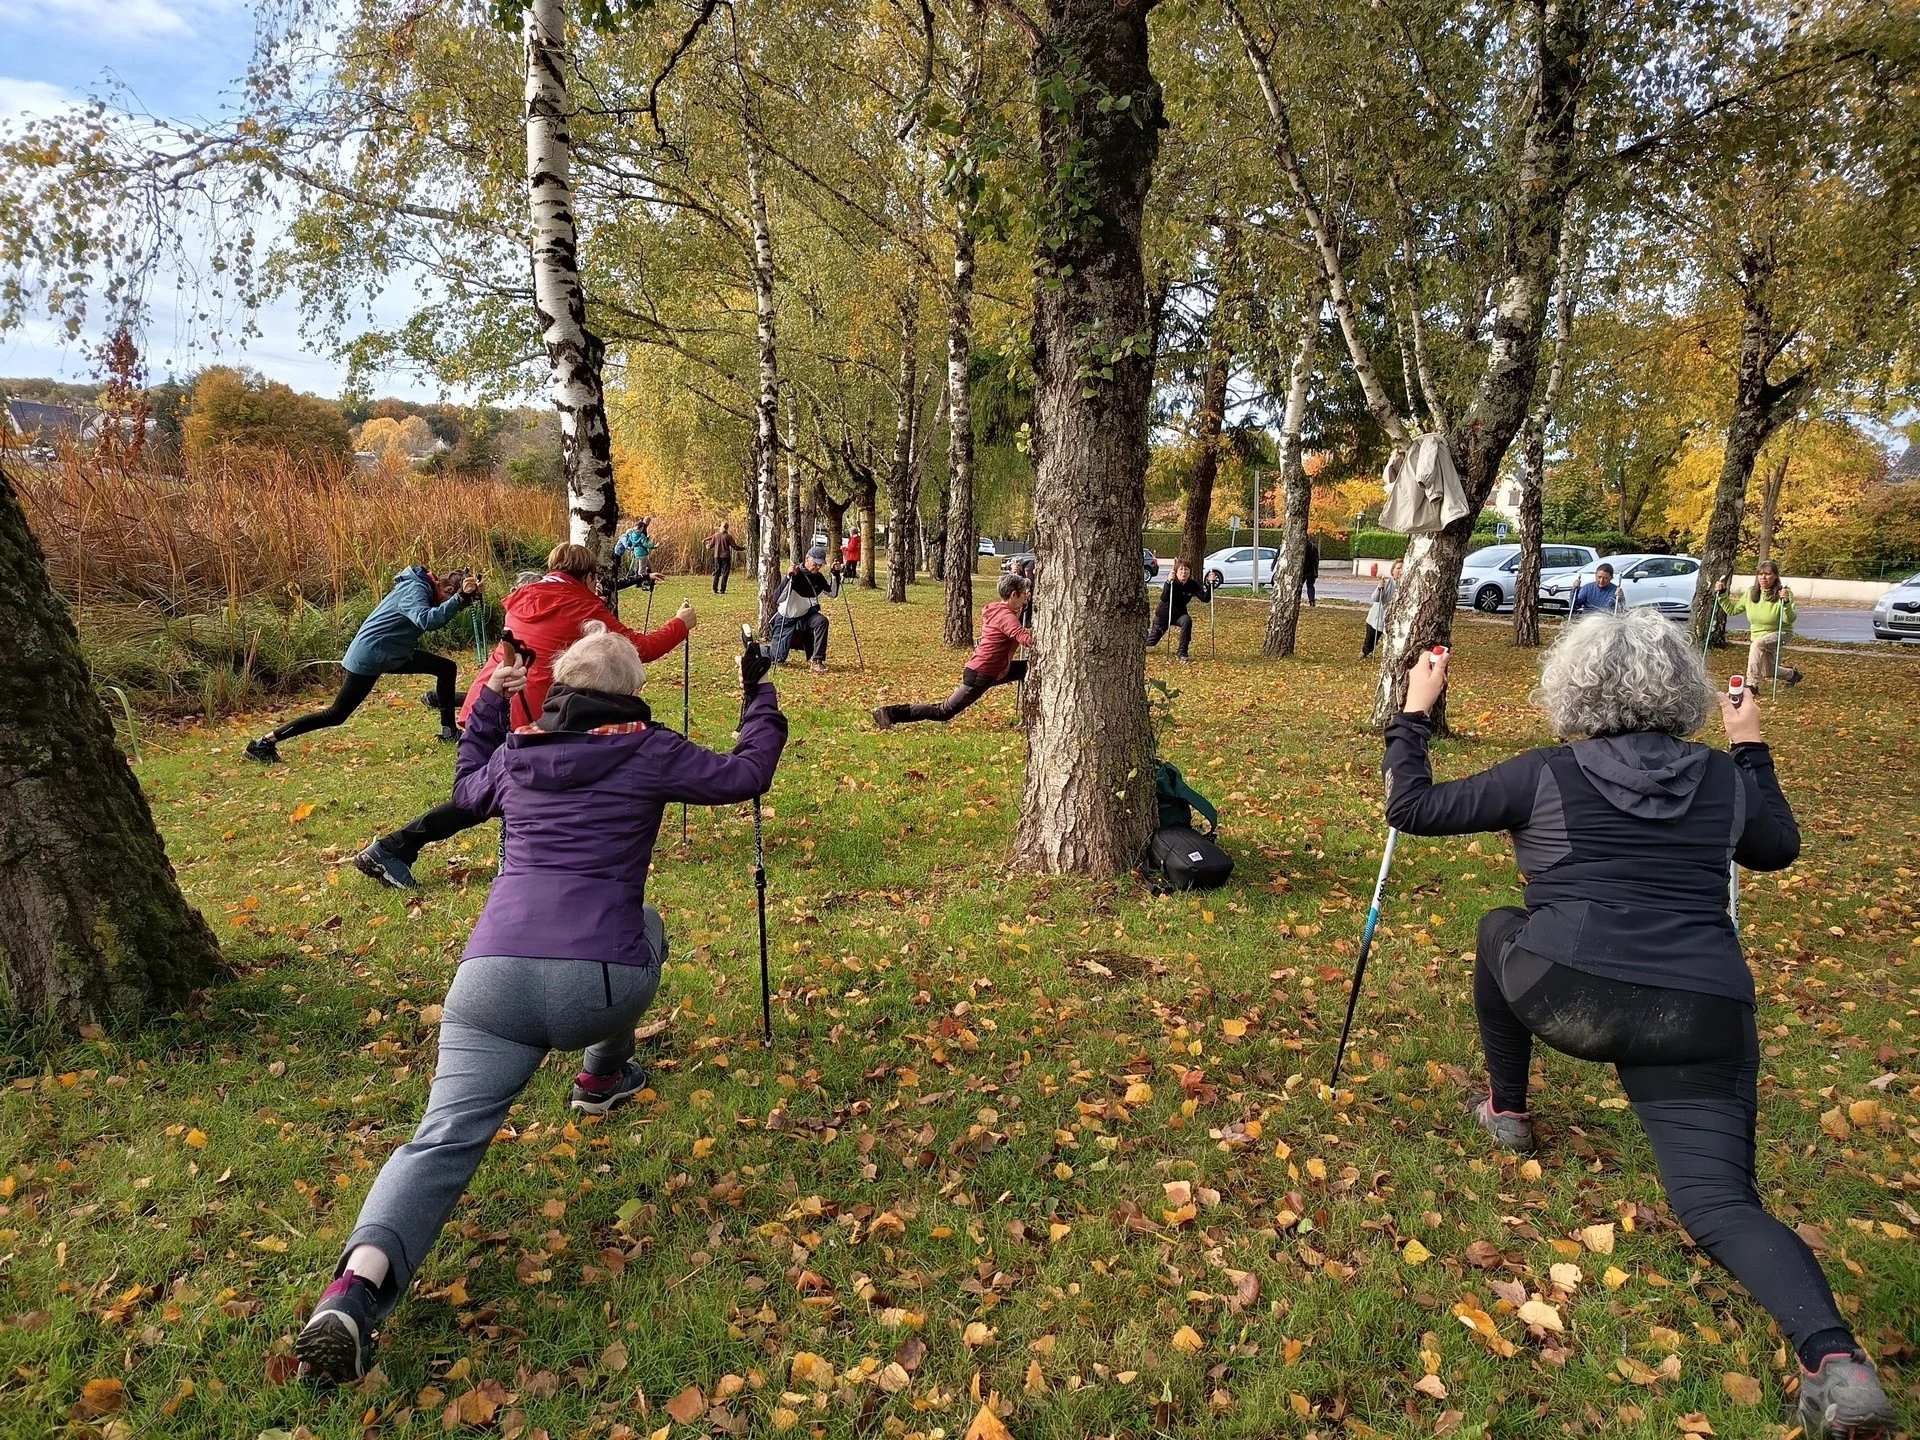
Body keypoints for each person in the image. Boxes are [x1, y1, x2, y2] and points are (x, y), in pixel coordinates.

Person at [1381, 612, 1894, 1439]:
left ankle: (1507, 1110)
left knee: (1496, 929)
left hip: (1568, 993)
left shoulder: (1545, 772)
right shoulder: (1724, 779)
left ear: (1570, 686)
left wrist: (1414, 712)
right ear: (1681, 691)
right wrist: (1751, 747)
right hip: (1699, 1011)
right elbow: (1776, 847)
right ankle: (1833, 1356)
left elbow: (1413, 806)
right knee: (1722, 1204)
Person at [293, 624, 787, 1383]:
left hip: (491, 981)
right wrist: (759, 694)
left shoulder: (516, 754)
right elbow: (747, 774)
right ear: (630, 695)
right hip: (598, 983)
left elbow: (464, 791)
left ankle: (354, 1289)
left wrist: (490, 705)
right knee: (645, 929)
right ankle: (599, 1077)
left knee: (440, 1140)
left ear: (559, 690)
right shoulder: (649, 748)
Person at [355, 544, 695, 889]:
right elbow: (637, 650)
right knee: (493, 793)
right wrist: (681, 624)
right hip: (521, 709)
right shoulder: (579, 605)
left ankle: (398, 848)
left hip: (493, 696)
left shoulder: (526, 594)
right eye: (595, 581)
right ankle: (396, 848)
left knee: (494, 790)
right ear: (589, 577)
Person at [246, 566, 480, 763]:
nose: (452, 603)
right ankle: (263, 743)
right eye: (452, 597)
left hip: (392, 652)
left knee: (446, 668)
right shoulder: (415, 590)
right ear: (448, 589)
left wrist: (463, 599)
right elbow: (426, 620)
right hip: (371, 655)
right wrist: (458, 600)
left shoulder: (422, 588)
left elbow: (436, 613)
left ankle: (449, 732)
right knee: (335, 714)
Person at [872, 574, 1032, 727]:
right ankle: (888, 713)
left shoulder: (999, 610)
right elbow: (1026, 639)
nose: (1027, 597)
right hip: (981, 673)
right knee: (943, 711)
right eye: (1024, 594)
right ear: (1013, 595)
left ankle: (1029, 717)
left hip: (995, 670)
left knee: (1028, 668)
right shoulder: (1006, 617)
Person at [1718, 561, 1802, 687]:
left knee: (1757, 645)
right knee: (1767, 671)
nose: (1763, 577)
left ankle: (1751, 685)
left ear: (1775, 576)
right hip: (1759, 635)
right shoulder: (1751, 593)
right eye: (1760, 574)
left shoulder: (1784, 592)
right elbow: (1732, 610)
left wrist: (1785, 602)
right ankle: (1792, 675)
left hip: (1780, 633)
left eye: (1768, 574)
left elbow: (1789, 619)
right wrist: (1722, 594)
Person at [767, 552, 832, 672]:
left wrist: (835, 574)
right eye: (815, 563)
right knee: (778, 657)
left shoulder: (818, 577)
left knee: (821, 621)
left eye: (820, 565)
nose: (817, 567)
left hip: (805, 615)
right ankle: (754, 648)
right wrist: (788, 577)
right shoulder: (795, 574)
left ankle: (817, 661)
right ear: (807, 558)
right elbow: (777, 598)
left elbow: (833, 593)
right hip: (787, 617)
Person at [1147, 560, 1212, 662]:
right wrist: (1168, 582)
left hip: (1179, 614)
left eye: (1186, 569)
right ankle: (1138, 643)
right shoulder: (1172, 583)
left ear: (1190, 572)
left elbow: (1205, 599)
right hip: (1164, 615)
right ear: (1176, 572)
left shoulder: (1192, 584)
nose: (1183, 572)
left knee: (1187, 621)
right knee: (1151, 641)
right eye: (1181, 569)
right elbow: (1164, 597)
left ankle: (1182, 652)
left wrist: (1210, 585)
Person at [1362, 559, 1401, 658]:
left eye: (1403, 568)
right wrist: (1379, 588)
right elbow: (1375, 598)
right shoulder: (1387, 583)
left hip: (1395, 619)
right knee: (1370, 641)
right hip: (1378, 617)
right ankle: (1365, 653)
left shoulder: (1408, 585)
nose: (1401, 571)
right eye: (1398, 568)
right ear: (1393, 571)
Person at [613, 517, 656, 590]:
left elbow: (632, 543)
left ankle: (650, 580)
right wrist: (653, 546)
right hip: (626, 553)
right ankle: (640, 583)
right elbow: (627, 545)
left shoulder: (634, 534)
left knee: (647, 566)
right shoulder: (625, 537)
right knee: (640, 569)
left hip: (638, 553)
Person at [705, 523, 738, 595]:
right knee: (725, 573)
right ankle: (722, 590)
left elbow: (710, 546)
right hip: (726, 557)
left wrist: (707, 546)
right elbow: (735, 547)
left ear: (721, 527)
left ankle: (714, 589)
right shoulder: (728, 536)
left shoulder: (716, 535)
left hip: (717, 556)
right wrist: (743, 548)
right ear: (727, 528)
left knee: (717, 572)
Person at [1300, 536, 1319, 605]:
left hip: (1304, 570)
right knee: (1310, 586)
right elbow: (1316, 560)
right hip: (1312, 570)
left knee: (1299, 585)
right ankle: (1312, 601)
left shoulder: (1302, 547)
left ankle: (1297, 599)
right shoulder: (1314, 547)